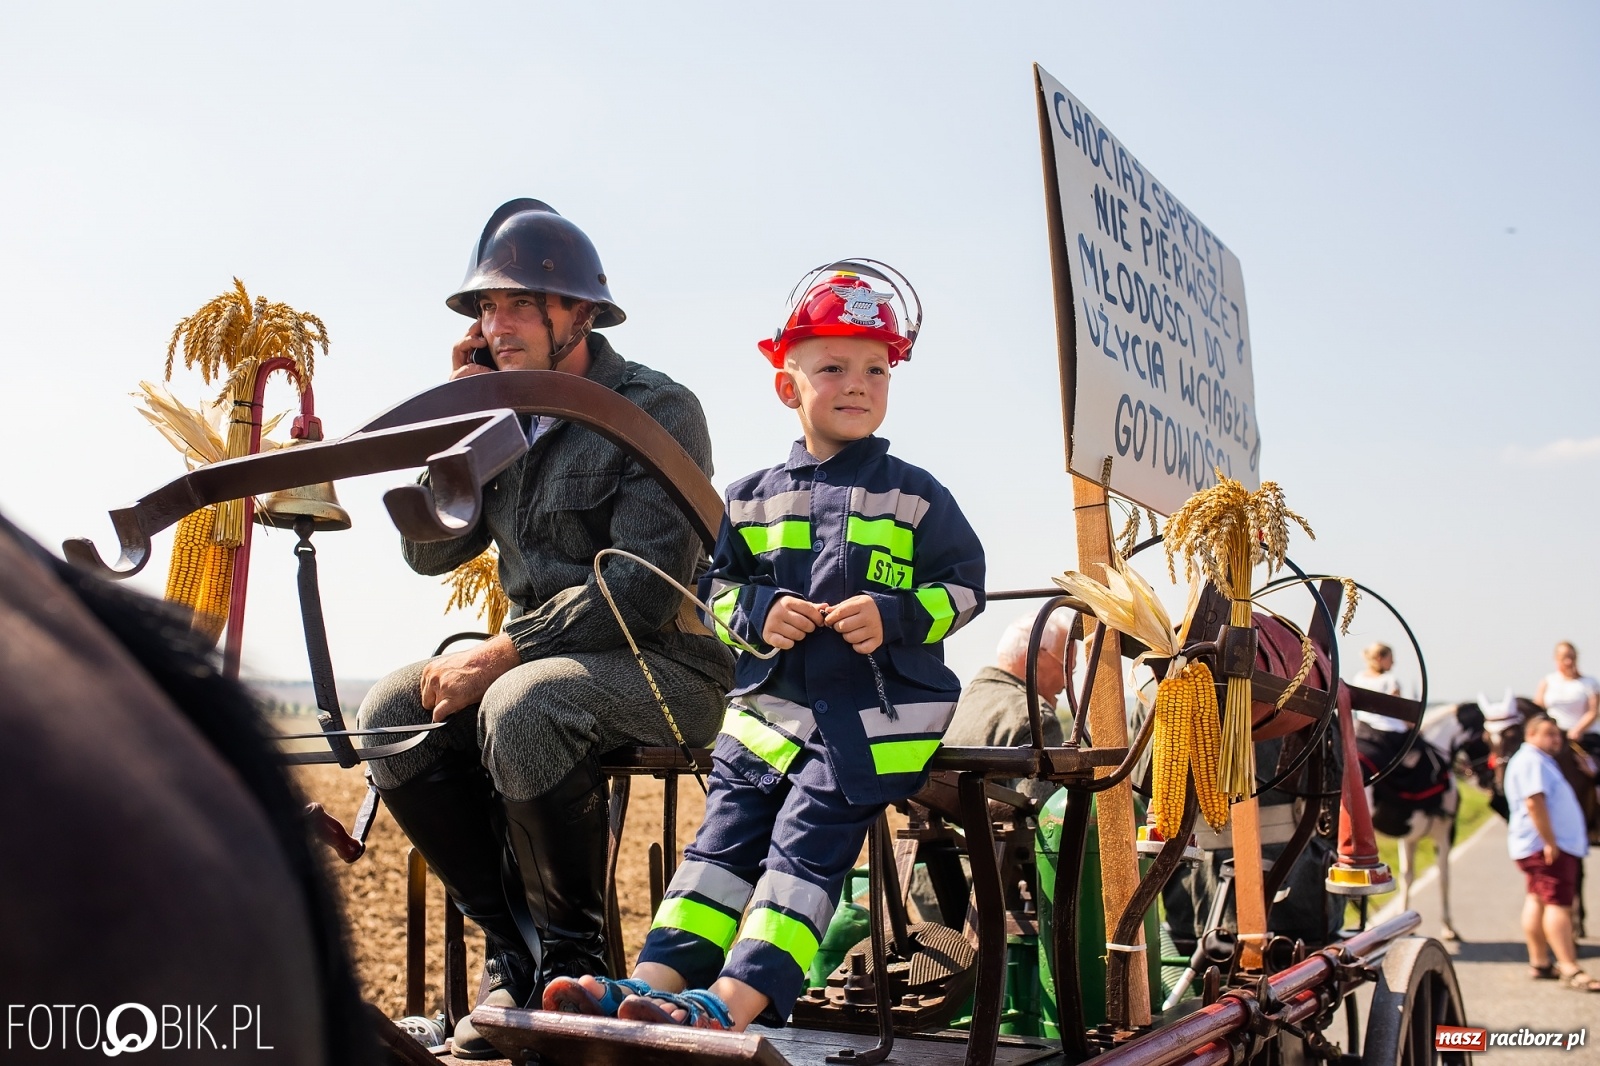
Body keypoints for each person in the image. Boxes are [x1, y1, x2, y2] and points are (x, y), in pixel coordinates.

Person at [542, 260, 985, 1030]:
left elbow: (966, 587)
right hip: (768, 716)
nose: (858, 384)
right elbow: (714, 594)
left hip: (871, 721)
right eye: (833, 367)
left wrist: (896, 616)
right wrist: (759, 611)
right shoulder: (749, 499)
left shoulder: (918, 496)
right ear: (788, 386)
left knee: (802, 850)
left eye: (876, 369)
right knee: (718, 849)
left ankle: (730, 1004)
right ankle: (650, 987)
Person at [356, 199, 735, 1056]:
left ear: (581, 316)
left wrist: (504, 652)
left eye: (521, 305)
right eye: (487, 307)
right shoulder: (502, 418)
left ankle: (572, 971)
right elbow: (428, 554)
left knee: (524, 702)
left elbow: (639, 593)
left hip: (665, 668)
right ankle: (518, 959)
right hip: (537, 671)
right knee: (388, 713)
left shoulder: (658, 407)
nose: (499, 325)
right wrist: (459, 425)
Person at [943, 608, 1073, 803]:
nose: (1067, 682)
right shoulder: (1038, 720)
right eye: (1066, 667)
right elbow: (1041, 816)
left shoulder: (954, 705)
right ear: (1035, 656)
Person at [1504, 715, 1596, 990]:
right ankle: (1569, 966)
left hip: (1540, 845)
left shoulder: (1537, 760)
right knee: (1558, 905)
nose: (1556, 740)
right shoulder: (1532, 761)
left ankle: (1540, 961)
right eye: (1549, 734)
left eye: (1557, 735)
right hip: (1547, 847)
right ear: (1530, 734)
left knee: (1538, 899)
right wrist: (1550, 841)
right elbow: (1535, 802)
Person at [1536, 641, 1600, 760]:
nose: (1569, 662)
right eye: (1564, 658)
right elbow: (1538, 709)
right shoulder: (1548, 681)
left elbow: (1593, 711)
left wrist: (1577, 731)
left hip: (1583, 738)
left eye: (1572, 658)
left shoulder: (1590, 683)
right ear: (1556, 658)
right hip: (1555, 738)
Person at [1351, 642, 1407, 734]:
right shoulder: (1390, 681)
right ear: (1379, 658)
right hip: (1391, 731)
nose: (1393, 662)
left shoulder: (1358, 678)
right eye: (1390, 658)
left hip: (1364, 729)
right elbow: (1400, 711)